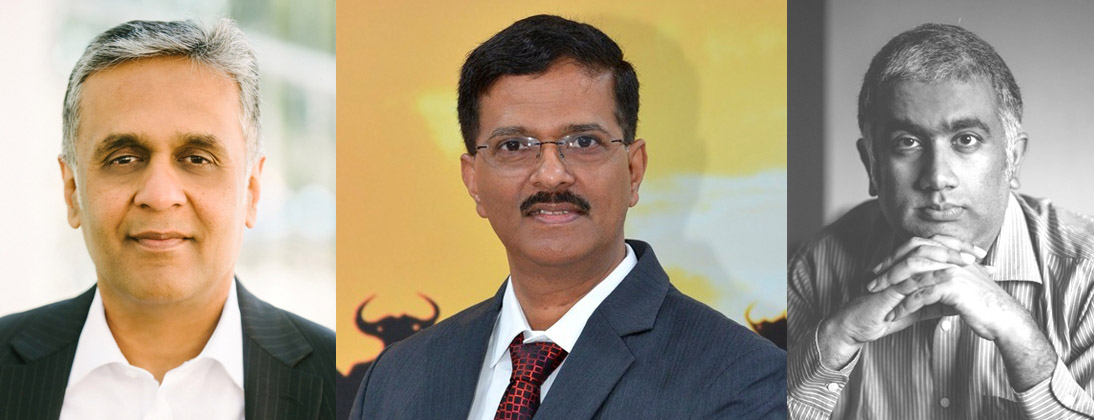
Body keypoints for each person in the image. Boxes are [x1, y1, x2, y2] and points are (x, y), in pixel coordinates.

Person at [351, 14, 786, 420]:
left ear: (634, 170)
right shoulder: (395, 378)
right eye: (514, 146)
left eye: (583, 142)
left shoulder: (747, 380)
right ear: (473, 180)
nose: (551, 174)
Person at [0, 19, 334, 420]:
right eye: (124, 158)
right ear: (72, 190)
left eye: (197, 158)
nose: (159, 196)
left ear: (251, 189)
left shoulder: (347, 384)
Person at [788, 23, 1094, 419]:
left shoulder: (1086, 276)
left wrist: (1022, 340)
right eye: (907, 142)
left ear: (1013, 159)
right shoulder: (817, 267)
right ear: (872, 166)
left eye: (966, 139)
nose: (936, 177)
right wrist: (835, 340)